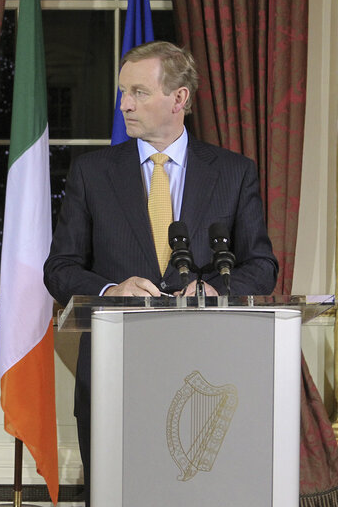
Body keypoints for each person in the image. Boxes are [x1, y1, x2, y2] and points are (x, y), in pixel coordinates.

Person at [43, 41, 278, 505]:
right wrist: (112, 288)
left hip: (208, 372)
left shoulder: (234, 172)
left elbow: (263, 267)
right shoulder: (92, 173)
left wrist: (212, 288)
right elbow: (60, 268)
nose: (124, 104)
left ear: (179, 99)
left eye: (137, 92)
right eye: (122, 92)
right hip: (115, 368)